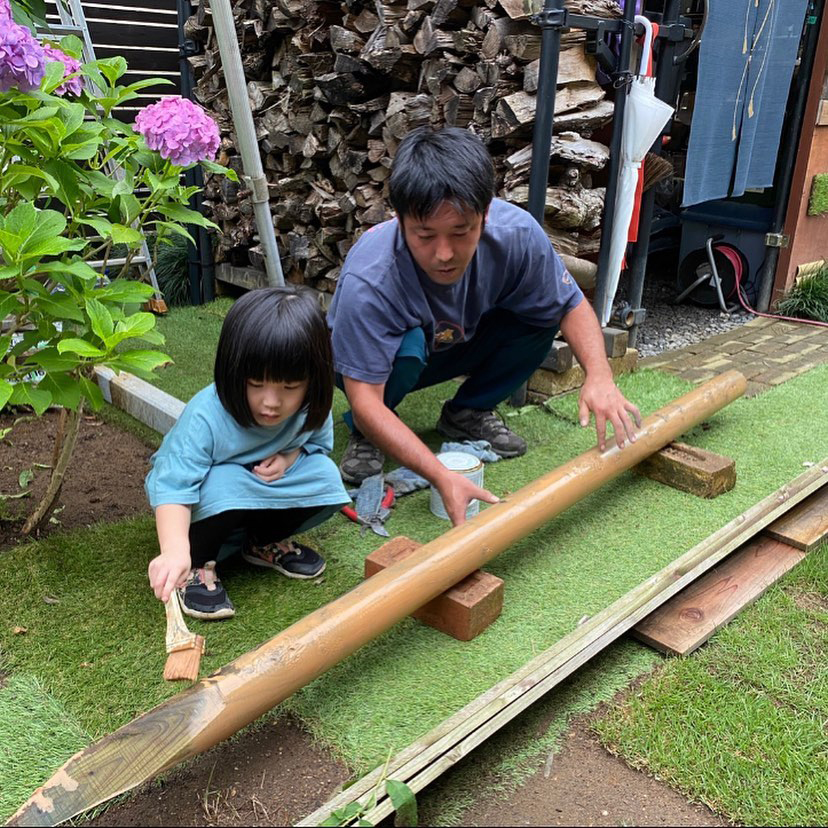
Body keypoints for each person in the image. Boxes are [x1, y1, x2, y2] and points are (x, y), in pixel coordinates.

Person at [328, 126, 641, 526]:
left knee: (541, 315)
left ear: (485, 213)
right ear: (399, 218)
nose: (444, 254)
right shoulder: (370, 280)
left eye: (461, 232)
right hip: (374, 365)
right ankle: (367, 437)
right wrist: (441, 475)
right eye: (425, 235)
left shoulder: (517, 235)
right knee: (405, 348)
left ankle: (468, 412)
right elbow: (365, 401)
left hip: (453, 341)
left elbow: (570, 303)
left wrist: (599, 375)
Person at [146, 286, 350, 620]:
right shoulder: (205, 416)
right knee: (225, 482)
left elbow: (314, 446)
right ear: (232, 371)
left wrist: (287, 459)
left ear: (314, 380)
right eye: (256, 384)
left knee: (324, 475)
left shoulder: (310, 406)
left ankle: (260, 543)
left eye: (289, 387)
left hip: (254, 491)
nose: (271, 402)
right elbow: (173, 487)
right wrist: (174, 551)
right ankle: (196, 564)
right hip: (199, 500)